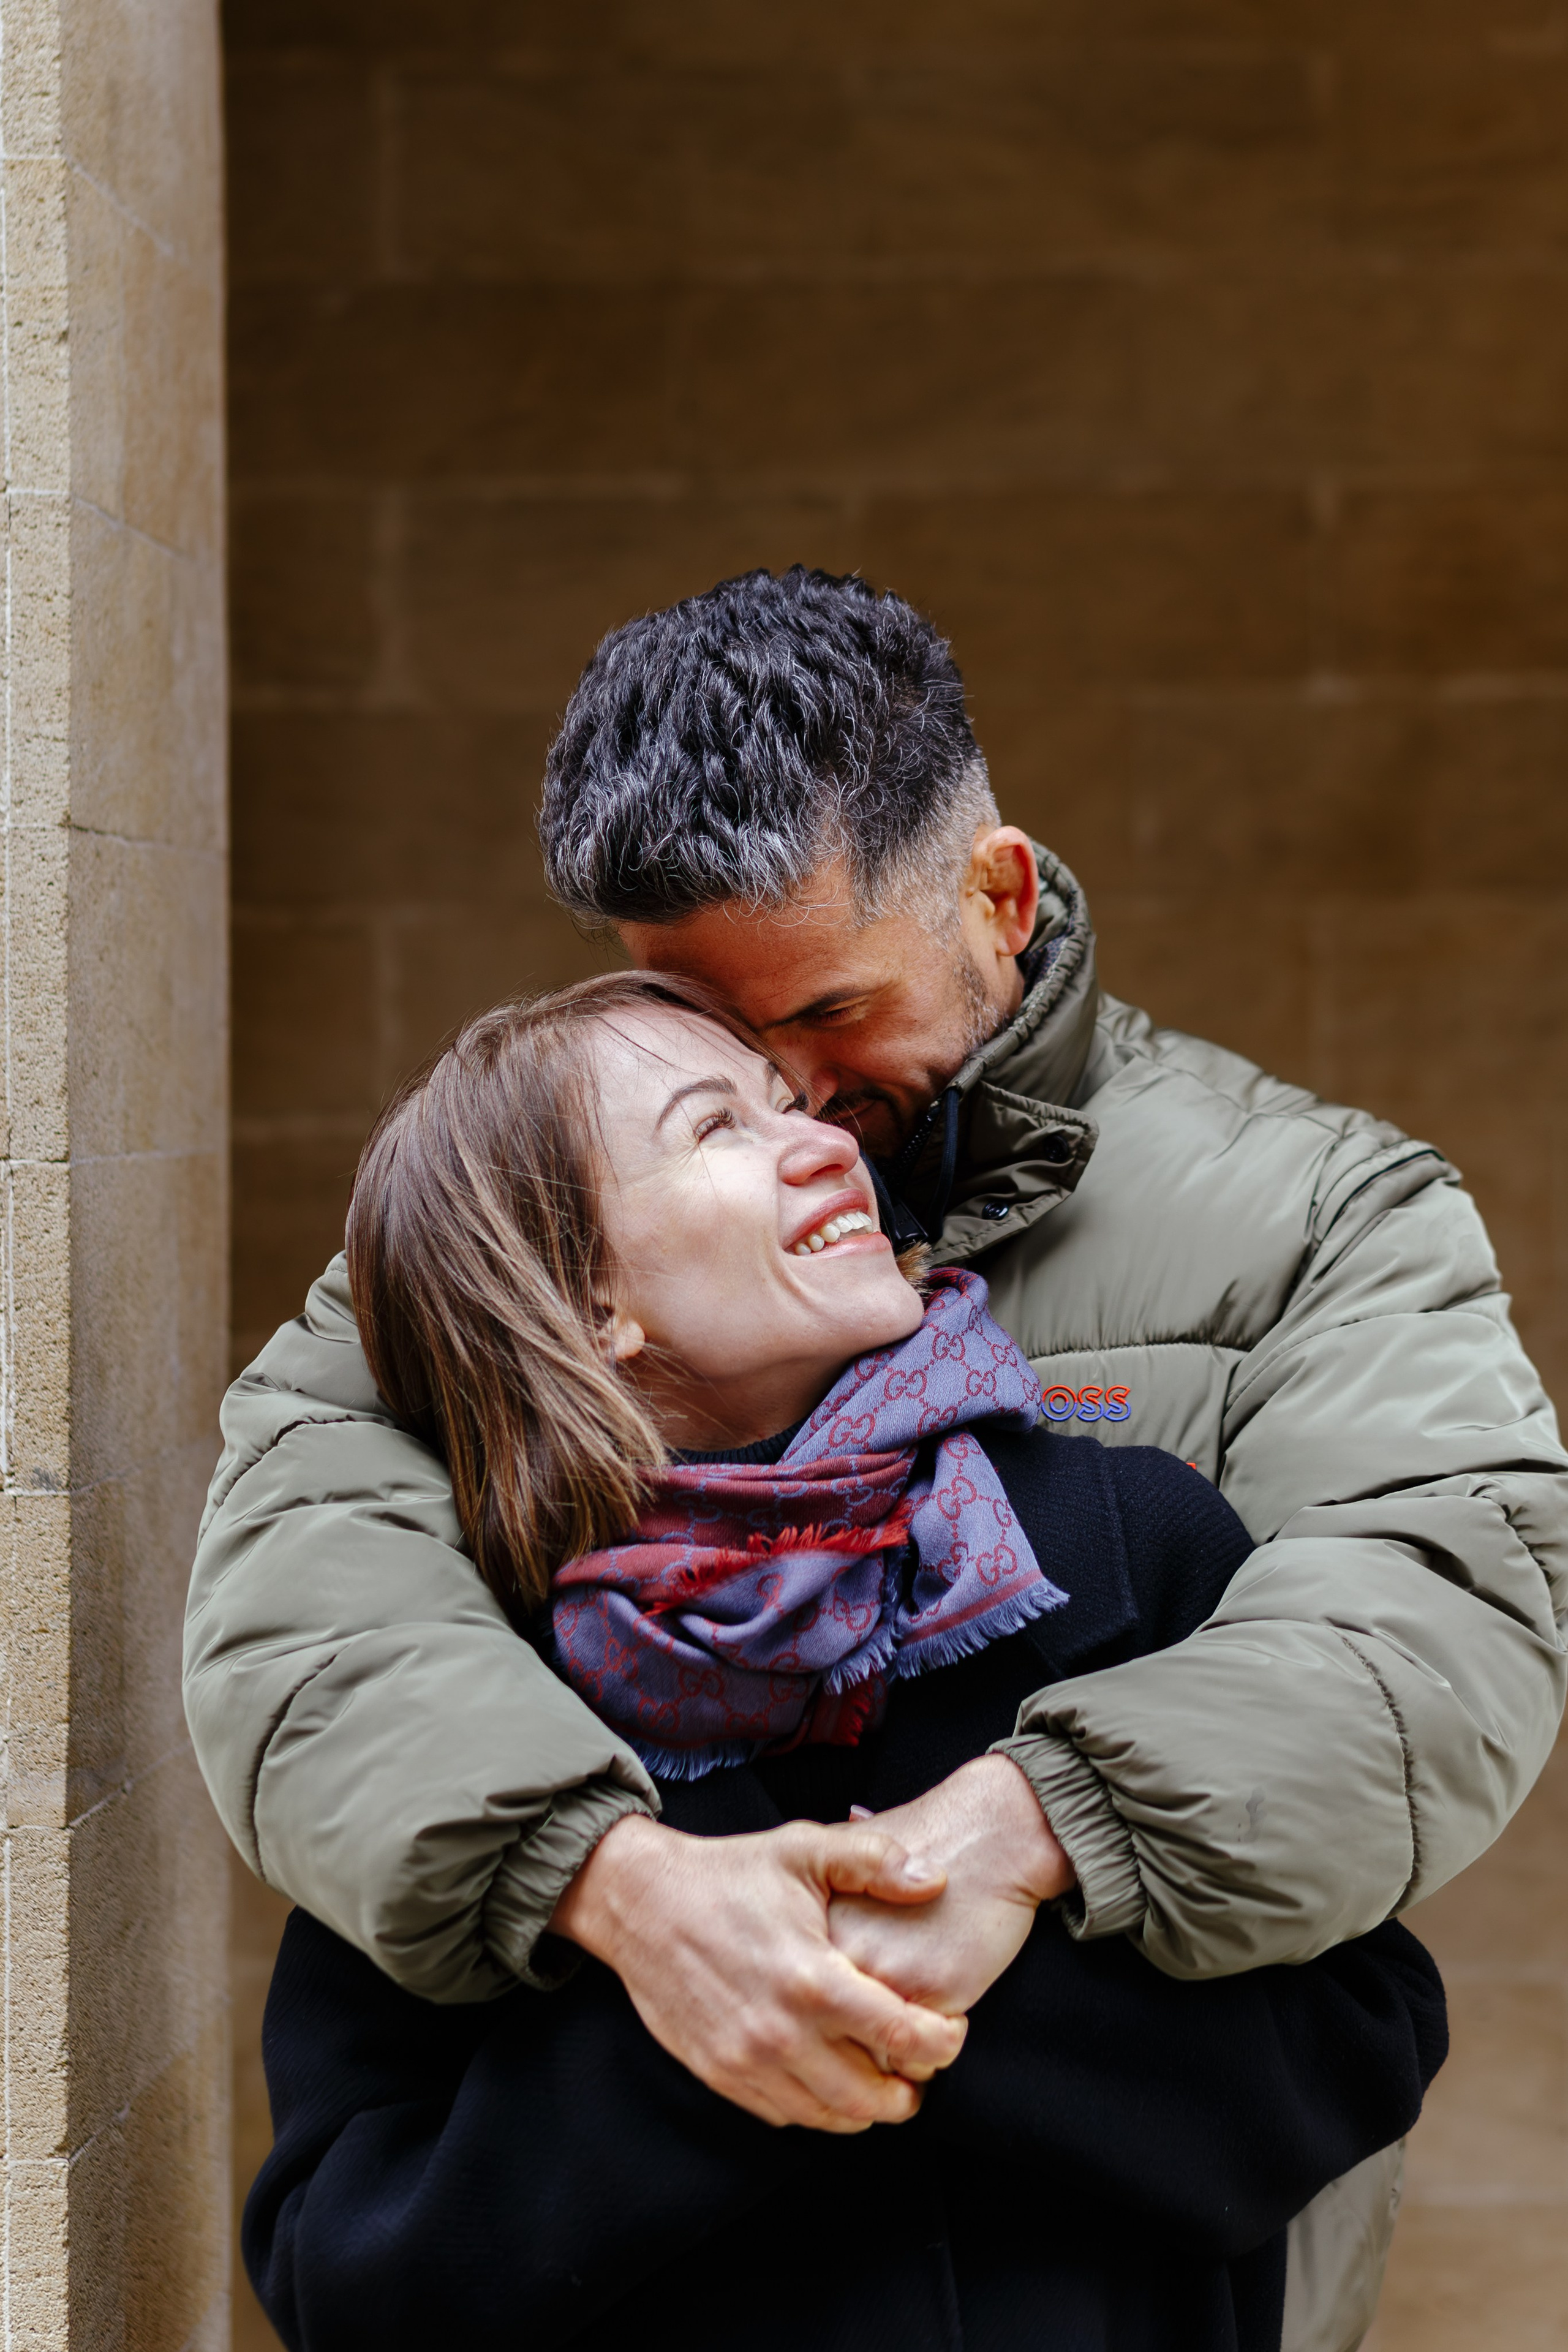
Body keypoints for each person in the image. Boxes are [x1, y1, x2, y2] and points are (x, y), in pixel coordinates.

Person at [187, 567, 1567, 2345]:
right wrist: (638, 1898)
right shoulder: (521, 1244)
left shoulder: (1318, 1220)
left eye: (828, 1017)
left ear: (995, 893)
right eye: (707, 1034)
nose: (799, 1097)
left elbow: (1434, 1623)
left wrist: (1018, 1834)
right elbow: (304, 1601)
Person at [243, 973, 1447, 2352]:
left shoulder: (1121, 1538)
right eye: (714, 1131)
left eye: (791, 1106)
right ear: (586, 1306)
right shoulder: (477, 1689)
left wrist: (920, 1969)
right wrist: (705, 2014)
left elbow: (1363, 2035)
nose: (824, 1143)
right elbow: (347, 2274)